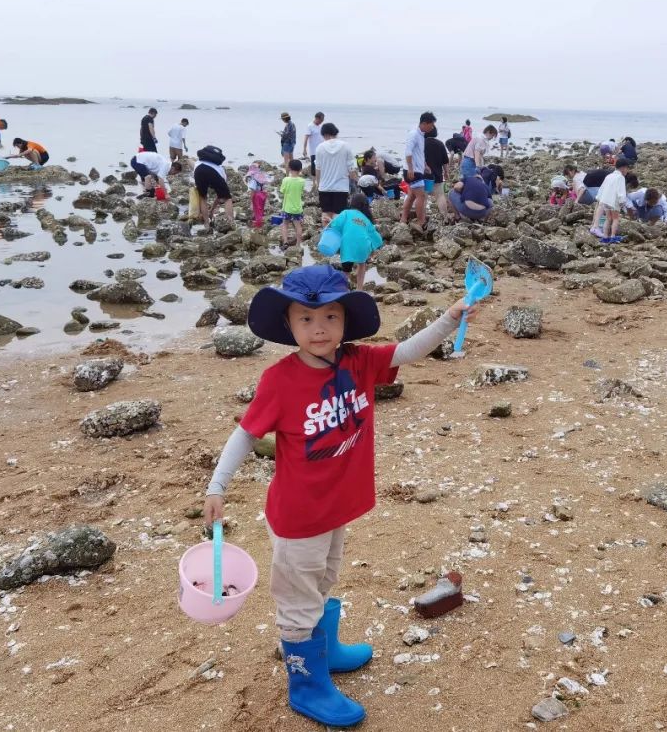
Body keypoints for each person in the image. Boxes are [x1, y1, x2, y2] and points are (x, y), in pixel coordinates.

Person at [201, 265, 480, 727]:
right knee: (298, 598)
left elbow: (409, 350)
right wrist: (217, 485)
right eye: (306, 319)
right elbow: (247, 434)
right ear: (288, 325)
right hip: (298, 516)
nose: (319, 328)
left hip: (335, 508)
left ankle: (324, 651)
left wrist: (449, 318)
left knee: (324, 579)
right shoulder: (279, 380)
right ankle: (306, 684)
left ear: (345, 322)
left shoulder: (359, 361)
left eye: (331, 316)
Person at [327, 193, 383, 290]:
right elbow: (374, 235)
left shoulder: (346, 213)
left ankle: (343, 290)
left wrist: (328, 222)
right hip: (363, 247)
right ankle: (359, 289)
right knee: (362, 264)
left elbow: (335, 225)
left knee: (346, 269)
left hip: (348, 246)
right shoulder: (366, 219)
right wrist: (377, 246)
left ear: (352, 203)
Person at [314, 123, 356, 227]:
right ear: (335, 132)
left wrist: (318, 184)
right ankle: (337, 238)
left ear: (324, 134)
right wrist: (354, 182)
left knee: (325, 214)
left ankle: (326, 237)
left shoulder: (320, 147)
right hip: (341, 187)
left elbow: (318, 169)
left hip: (325, 187)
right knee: (339, 215)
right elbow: (351, 169)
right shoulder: (346, 146)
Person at [402, 112, 436, 229]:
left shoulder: (421, 135)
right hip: (412, 171)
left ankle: (403, 219)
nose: (432, 128)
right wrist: (410, 168)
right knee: (421, 196)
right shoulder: (414, 134)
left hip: (417, 170)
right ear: (424, 123)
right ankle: (421, 222)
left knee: (411, 196)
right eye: (431, 125)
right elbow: (408, 152)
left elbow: (419, 153)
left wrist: (425, 165)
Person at [592, 157, 631, 240]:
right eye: (627, 168)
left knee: (608, 218)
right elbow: (621, 193)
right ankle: (613, 236)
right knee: (615, 219)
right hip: (614, 202)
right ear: (623, 168)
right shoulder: (620, 178)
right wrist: (623, 204)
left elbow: (602, 188)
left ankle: (605, 236)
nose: (627, 171)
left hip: (605, 201)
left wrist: (599, 198)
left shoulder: (609, 176)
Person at [192, 145, 230, 224]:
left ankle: (206, 224)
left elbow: (189, 161)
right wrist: (212, 210)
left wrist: (211, 210)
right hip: (213, 172)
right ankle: (231, 222)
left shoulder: (198, 162)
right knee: (227, 198)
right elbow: (220, 197)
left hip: (199, 170)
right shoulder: (221, 169)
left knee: (203, 198)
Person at [279, 158, 306, 245]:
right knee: (298, 226)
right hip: (297, 208)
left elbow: (282, 191)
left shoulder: (286, 180)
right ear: (300, 169)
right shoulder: (302, 181)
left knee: (285, 224)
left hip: (287, 208)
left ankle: (285, 242)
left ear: (289, 168)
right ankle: (298, 244)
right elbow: (301, 191)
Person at [245, 160, 272, 229]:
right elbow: (265, 188)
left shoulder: (253, 180)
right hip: (262, 194)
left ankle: (258, 224)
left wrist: (251, 201)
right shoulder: (260, 178)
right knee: (261, 209)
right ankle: (260, 221)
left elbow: (252, 191)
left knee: (257, 210)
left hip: (256, 196)